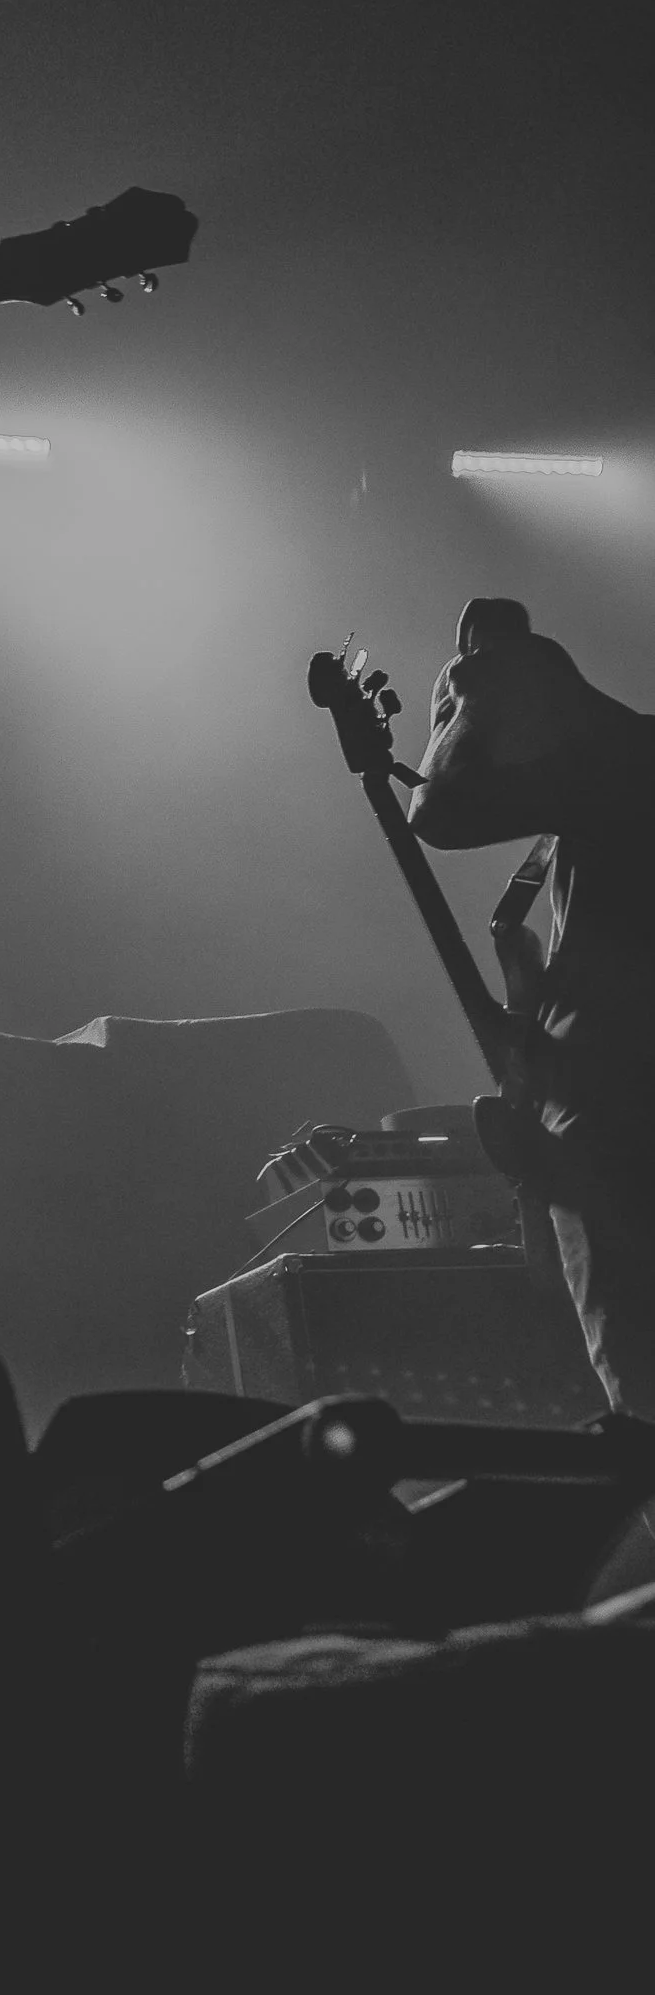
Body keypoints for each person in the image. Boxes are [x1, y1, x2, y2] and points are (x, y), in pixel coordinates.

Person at [407, 595, 655, 1417]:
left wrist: (482, 688)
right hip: (600, 1107)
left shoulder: (622, 761)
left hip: (615, 1124)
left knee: (641, 1394)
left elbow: (439, 812)